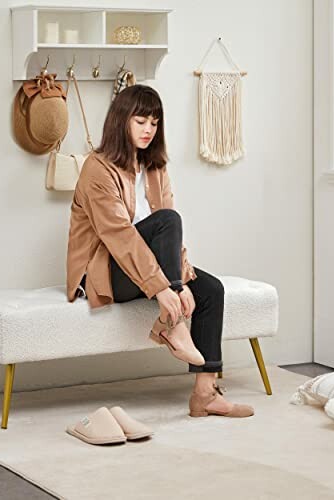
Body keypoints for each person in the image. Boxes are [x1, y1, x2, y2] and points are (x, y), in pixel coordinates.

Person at [66, 85, 253, 418]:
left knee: (210, 289)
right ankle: (173, 324)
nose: (149, 129)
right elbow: (119, 236)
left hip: (147, 270)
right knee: (166, 220)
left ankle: (205, 395)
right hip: (104, 273)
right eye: (140, 121)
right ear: (121, 121)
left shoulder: (155, 167)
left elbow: (169, 236)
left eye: (154, 122)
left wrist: (179, 280)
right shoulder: (97, 168)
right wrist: (167, 291)